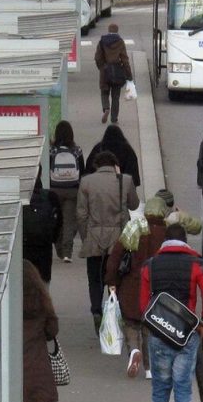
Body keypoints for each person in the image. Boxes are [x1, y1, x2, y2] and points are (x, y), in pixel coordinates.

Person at [139, 224, 203, 402]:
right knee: (182, 390)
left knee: (160, 391)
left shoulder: (150, 265)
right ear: (185, 242)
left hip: (159, 334)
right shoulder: (196, 264)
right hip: (186, 334)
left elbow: (143, 305)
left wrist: (155, 324)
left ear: (164, 241)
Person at [104, 197, 169, 380]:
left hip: (131, 286)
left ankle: (133, 351)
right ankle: (149, 369)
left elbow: (115, 257)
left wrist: (111, 282)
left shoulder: (134, 228)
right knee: (150, 327)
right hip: (156, 287)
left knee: (131, 324)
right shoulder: (167, 233)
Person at [77, 151, 140, 334]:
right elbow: (134, 205)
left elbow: (81, 215)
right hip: (118, 241)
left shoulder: (86, 182)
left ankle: (96, 310)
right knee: (115, 278)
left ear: (97, 165)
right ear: (115, 165)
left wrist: (86, 237)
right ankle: (113, 317)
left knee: (94, 280)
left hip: (94, 238)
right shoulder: (125, 180)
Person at [23, 259, 59, 402]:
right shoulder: (41, 303)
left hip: (6, 374)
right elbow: (52, 331)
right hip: (36, 375)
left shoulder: (5, 307)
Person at [49, 120, 85, 263]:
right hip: (72, 190)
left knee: (57, 220)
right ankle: (67, 253)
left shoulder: (52, 151)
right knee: (69, 221)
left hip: (55, 189)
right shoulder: (77, 151)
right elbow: (82, 171)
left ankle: (58, 246)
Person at [23, 173, 62, 284]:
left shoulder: (20, 197)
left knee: (24, 281)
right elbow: (59, 221)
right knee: (43, 281)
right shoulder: (50, 196)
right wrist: (52, 239)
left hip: (24, 246)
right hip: (44, 246)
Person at [95, 23, 133, 124]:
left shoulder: (102, 41)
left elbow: (97, 57)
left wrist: (101, 67)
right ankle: (114, 118)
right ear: (117, 31)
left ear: (108, 30)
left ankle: (106, 108)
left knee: (104, 92)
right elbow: (125, 59)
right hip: (117, 72)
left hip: (105, 71)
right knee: (116, 97)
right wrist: (129, 74)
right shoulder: (120, 42)